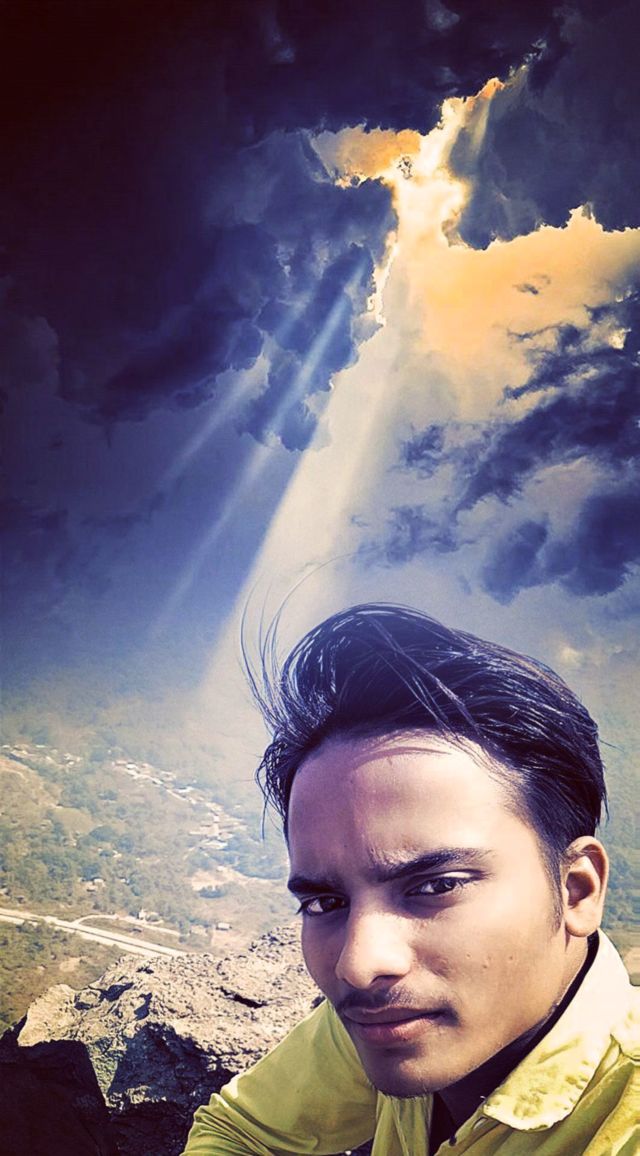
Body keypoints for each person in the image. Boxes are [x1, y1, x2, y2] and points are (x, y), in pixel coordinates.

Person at [183, 603, 638, 1155]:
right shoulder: (396, 1016)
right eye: (326, 902)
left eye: (436, 886)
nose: (358, 965)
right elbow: (237, 1133)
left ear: (576, 891)